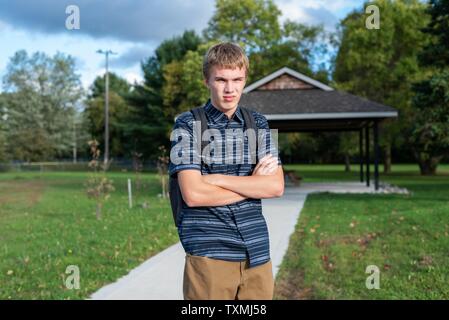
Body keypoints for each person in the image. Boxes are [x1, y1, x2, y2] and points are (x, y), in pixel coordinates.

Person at [168, 42, 284, 300]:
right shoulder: (187, 125)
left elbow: (275, 186)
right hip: (210, 256)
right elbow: (194, 194)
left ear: (245, 80)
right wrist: (252, 184)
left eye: (237, 79)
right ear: (206, 80)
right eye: (221, 79)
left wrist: (218, 179)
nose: (230, 89)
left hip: (257, 254)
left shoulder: (258, 123)